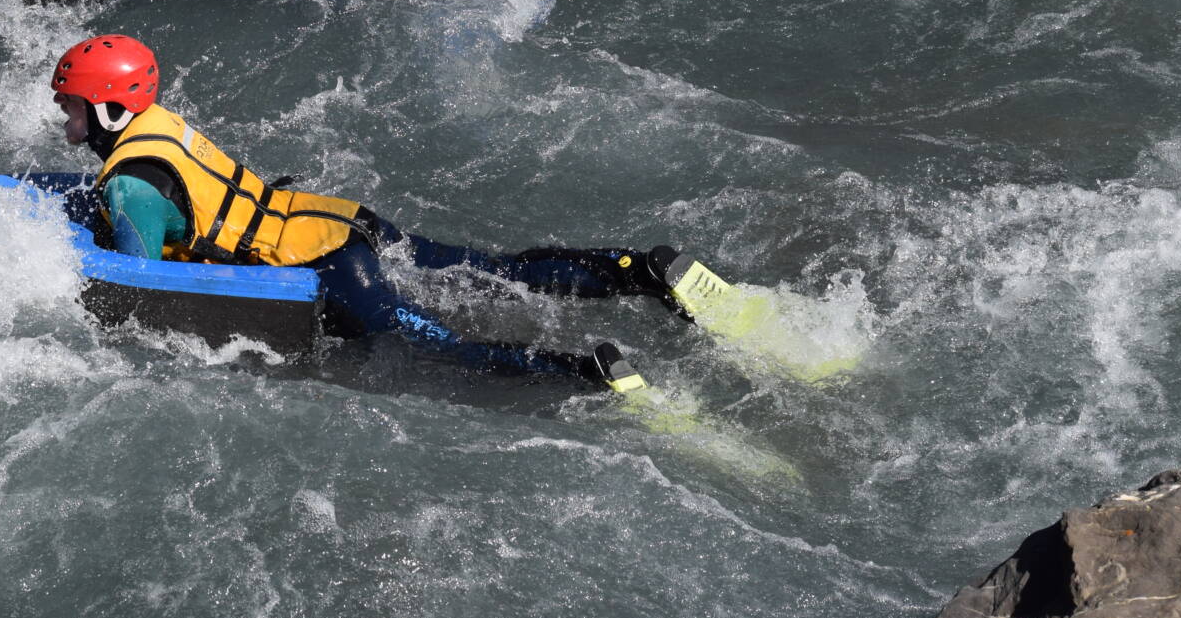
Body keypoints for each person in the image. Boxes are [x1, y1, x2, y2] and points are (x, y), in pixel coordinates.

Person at [48, 34, 703, 395]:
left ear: (108, 111)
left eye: (73, 108)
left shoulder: (128, 188)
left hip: (329, 265)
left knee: (434, 349)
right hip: (339, 218)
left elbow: (142, 284)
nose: (67, 123)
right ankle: (639, 269)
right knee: (492, 270)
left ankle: (587, 374)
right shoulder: (159, 122)